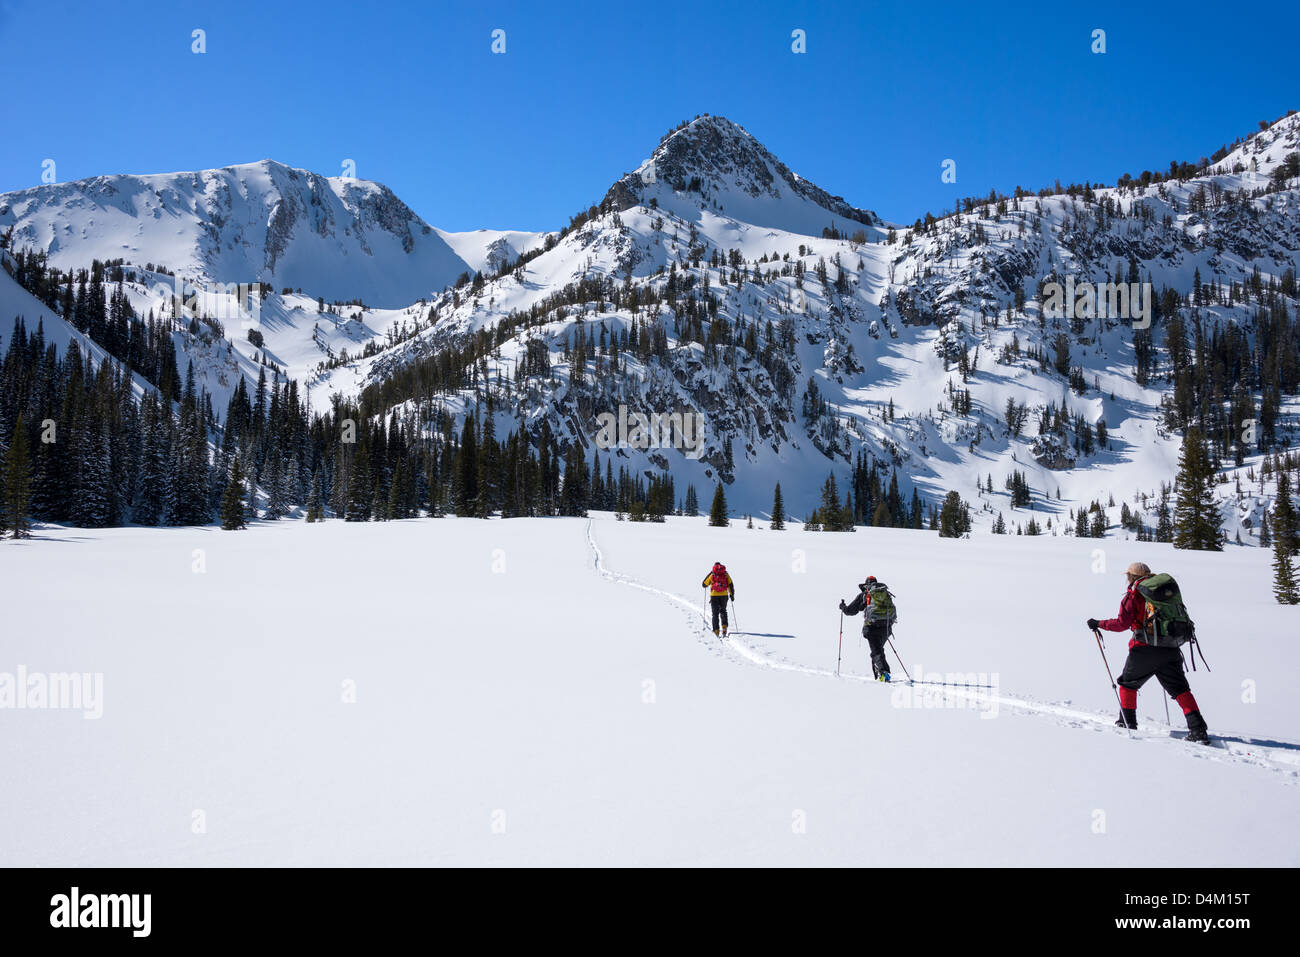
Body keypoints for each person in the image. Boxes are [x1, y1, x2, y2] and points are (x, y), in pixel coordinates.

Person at [1087, 561, 1209, 743]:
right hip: (1171, 647)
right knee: (1181, 689)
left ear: (1131, 576)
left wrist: (1099, 624)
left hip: (1144, 649)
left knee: (1128, 684)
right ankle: (1198, 729)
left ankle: (1127, 723)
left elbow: (1122, 624)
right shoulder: (1164, 594)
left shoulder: (1133, 595)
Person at [840, 575, 897, 681]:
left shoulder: (865, 594)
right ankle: (881, 673)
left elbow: (850, 611)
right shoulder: (884, 594)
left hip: (872, 627)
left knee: (876, 652)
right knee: (877, 650)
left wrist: (843, 607)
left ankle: (883, 674)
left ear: (866, 584)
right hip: (886, 627)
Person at [701, 562, 735, 637]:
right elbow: (730, 584)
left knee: (715, 614)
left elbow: (704, 584)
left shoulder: (713, 574)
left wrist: (711, 573)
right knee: (723, 611)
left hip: (714, 596)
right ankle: (724, 627)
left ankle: (716, 631)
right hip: (724, 595)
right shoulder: (725, 574)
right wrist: (732, 595)